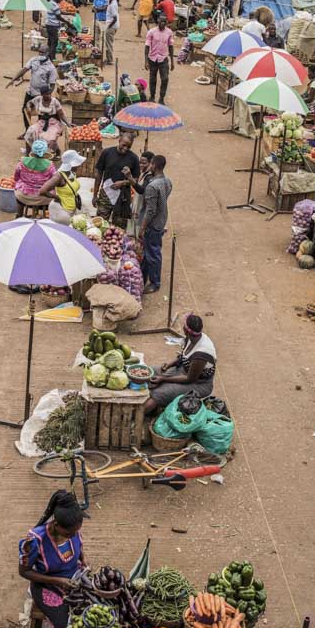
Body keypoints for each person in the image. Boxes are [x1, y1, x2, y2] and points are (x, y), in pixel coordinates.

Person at [18, 490, 85, 628]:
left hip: (74, 579)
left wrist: (84, 559)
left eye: (76, 532)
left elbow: (78, 545)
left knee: (92, 612)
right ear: (56, 525)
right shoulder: (35, 540)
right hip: (46, 587)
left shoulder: (71, 528)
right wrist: (58, 581)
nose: (74, 535)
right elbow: (24, 571)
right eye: (70, 533)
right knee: (65, 626)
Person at [143, 314, 217, 416]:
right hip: (183, 370)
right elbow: (183, 356)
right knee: (148, 371)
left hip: (199, 384)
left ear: (186, 330)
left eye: (183, 325)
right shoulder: (191, 337)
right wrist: (170, 364)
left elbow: (189, 379)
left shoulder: (202, 354)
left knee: (160, 393)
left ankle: (134, 416)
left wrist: (163, 379)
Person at [134, 154, 171, 293]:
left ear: (154, 165)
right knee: (149, 251)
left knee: (153, 253)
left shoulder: (151, 186)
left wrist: (142, 228)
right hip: (161, 220)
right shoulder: (167, 182)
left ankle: (155, 282)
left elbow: (150, 211)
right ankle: (145, 276)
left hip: (152, 225)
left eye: (150, 164)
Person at [7, 45, 58, 134]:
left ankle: (38, 133)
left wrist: (47, 96)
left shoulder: (51, 68)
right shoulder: (34, 60)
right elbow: (24, 70)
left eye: (43, 52)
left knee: (41, 115)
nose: (40, 54)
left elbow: (52, 84)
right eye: (39, 52)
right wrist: (13, 79)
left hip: (40, 94)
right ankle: (27, 131)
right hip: (30, 91)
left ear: (47, 53)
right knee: (25, 110)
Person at [93, 132, 141, 228]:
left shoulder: (134, 158)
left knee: (119, 227)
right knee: (100, 223)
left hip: (123, 197)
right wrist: (95, 194)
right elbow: (99, 174)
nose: (125, 148)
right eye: (124, 145)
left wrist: (123, 183)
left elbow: (135, 179)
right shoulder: (107, 153)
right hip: (106, 194)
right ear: (119, 140)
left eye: (129, 147)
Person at [38, 149, 85, 224]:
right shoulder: (58, 176)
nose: (79, 165)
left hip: (70, 208)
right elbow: (42, 191)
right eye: (77, 164)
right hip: (60, 211)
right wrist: (56, 197)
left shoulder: (71, 173)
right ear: (71, 164)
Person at [24, 86, 71, 153]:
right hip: (41, 122)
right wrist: (28, 107)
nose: (48, 95)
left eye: (49, 93)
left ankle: (57, 151)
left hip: (54, 123)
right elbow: (29, 103)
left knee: (48, 138)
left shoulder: (55, 101)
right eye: (46, 94)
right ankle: (27, 154)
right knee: (30, 132)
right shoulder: (38, 99)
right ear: (42, 94)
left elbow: (61, 114)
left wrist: (68, 123)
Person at [145, 15, 175, 105]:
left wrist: (172, 61)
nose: (163, 23)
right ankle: (152, 96)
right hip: (152, 59)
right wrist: (146, 61)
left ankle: (161, 98)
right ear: (158, 21)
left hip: (163, 59)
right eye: (161, 21)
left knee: (165, 79)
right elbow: (147, 47)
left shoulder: (169, 32)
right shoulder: (151, 32)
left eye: (165, 22)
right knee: (152, 79)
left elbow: (171, 46)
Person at [102, 0, 119, 66]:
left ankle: (110, 60)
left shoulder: (113, 5)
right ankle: (108, 58)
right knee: (108, 43)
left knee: (108, 44)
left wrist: (108, 26)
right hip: (112, 25)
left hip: (111, 27)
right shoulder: (112, 1)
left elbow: (115, 18)